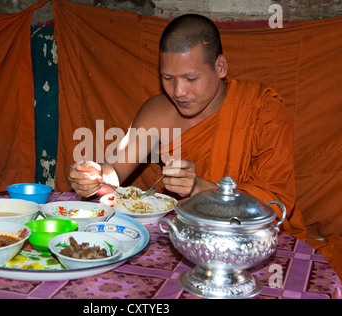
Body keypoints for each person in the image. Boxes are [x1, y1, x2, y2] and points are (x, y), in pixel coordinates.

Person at [68, 14, 307, 239]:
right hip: (183, 235)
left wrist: (199, 187)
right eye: (168, 78)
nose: (179, 92)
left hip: (252, 241)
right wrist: (94, 176)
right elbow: (115, 171)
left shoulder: (262, 110)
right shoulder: (159, 112)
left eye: (191, 79)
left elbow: (275, 204)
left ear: (220, 67)